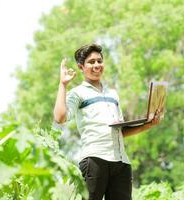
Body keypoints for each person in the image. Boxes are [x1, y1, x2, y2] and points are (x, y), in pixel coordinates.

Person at [53, 43, 161, 200]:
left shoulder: (113, 94)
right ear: (81, 67)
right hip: (95, 159)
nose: (97, 65)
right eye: (91, 62)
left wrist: (148, 124)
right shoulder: (77, 93)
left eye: (99, 61)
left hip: (121, 162)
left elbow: (120, 131)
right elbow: (60, 117)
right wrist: (63, 85)